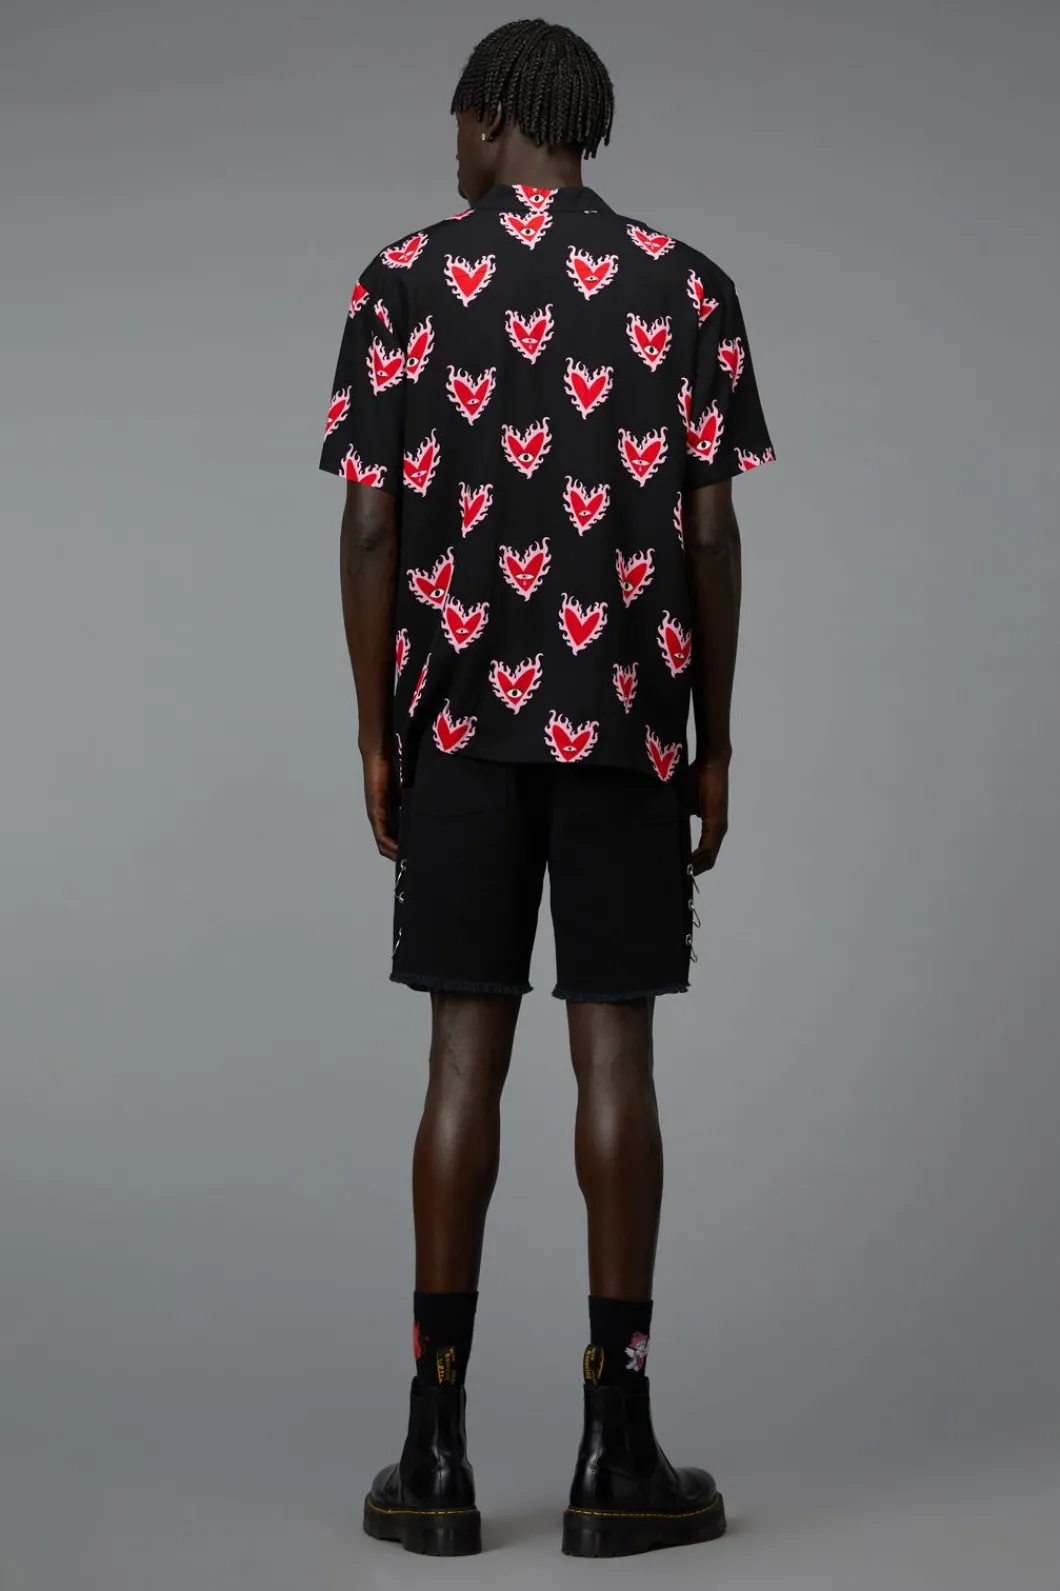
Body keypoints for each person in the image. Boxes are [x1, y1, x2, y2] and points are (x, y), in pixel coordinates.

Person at [318, 17, 775, 1560]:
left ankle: (431, 1451)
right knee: (613, 1063)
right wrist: (714, 736)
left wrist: (376, 731)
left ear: (500, 114)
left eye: (459, 120)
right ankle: (615, 1446)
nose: (450, 146)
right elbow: (710, 534)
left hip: (457, 729)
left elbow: (370, 528)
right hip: (626, 723)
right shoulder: (688, 287)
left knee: (461, 1065)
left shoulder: (401, 281)